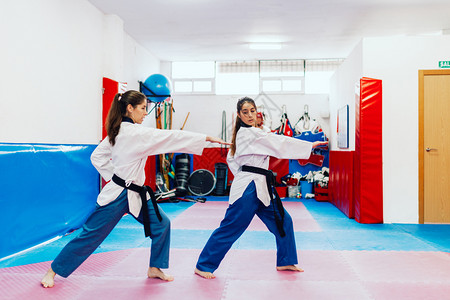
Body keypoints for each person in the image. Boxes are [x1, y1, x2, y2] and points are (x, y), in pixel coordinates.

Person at [41, 90, 227, 288]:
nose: (145, 113)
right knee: (91, 235)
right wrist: (206, 137)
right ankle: (52, 271)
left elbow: (96, 157)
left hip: (137, 193)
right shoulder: (135, 133)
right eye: (142, 108)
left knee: (161, 224)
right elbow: (171, 137)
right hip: (118, 195)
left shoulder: (117, 131)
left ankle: (155, 267)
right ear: (130, 108)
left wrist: (114, 176)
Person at [194, 97, 328, 279]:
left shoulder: (256, 133)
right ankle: (203, 265)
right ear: (239, 115)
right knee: (231, 227)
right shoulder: (246, 134)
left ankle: (286, 260)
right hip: (248, 187)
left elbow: (244, 154)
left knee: (283, 221)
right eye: (245, 112)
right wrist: (308, 145)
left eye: (252, 110)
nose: (250, 115)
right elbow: (277, 142)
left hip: (263, 185)